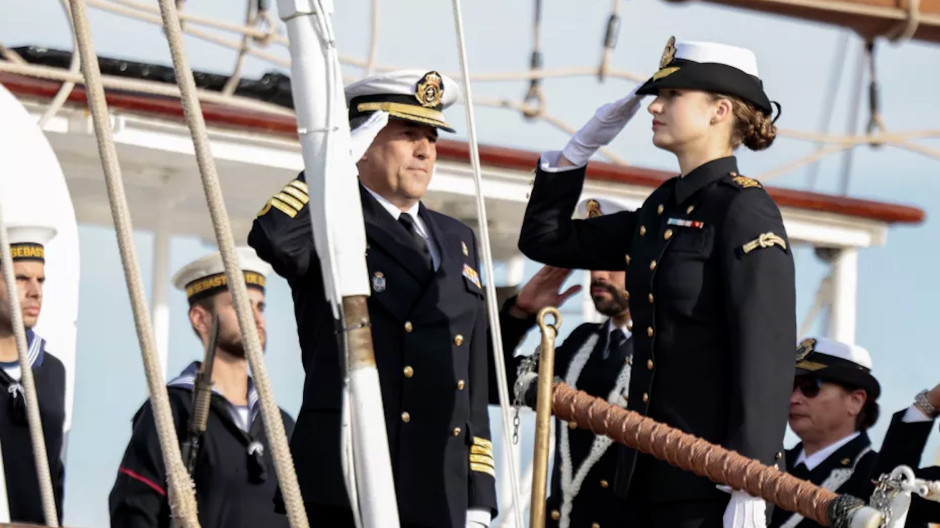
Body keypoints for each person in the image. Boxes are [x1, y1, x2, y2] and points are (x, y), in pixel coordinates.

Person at [516, 37, 796, 527]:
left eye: (672, 96)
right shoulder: (660, 209)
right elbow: (546, 239)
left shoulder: (743, 209)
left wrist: (752, 477)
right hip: (644, 474)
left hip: (712, 481)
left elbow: (765, 348)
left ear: (719, 111)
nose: (655, 106)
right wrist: (577, 151)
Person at [248, 70, 497, 528]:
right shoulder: (331, 216)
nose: (425, 150)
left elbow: (472, 377)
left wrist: (479, 496)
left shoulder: (458, 237)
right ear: (364, 142)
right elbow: (274, 238)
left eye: (432, 137)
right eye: (407, 134)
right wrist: (332, 165)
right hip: (347, 480)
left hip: (440, 488)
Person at [109, 247, 294, 528]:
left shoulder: (282, 426)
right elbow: (133, 511)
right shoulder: (170, 411)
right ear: (199, 318)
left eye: (260, 306)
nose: (256, 319)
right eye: (240, 306)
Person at [497, 197, 635, 528]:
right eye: (594, 262)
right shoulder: (581, 344)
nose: (599, 274)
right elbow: (494, 383)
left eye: (613, 262)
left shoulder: (670, 352)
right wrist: (520, 313)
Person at [770, 337, 886, 528]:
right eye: (790, 387)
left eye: (810, 388)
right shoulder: (769, 464)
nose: (794, 399)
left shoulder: (878, 479)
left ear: (855, 401)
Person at [0, 223, 66, 524]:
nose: (35, 291)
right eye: (21, 279)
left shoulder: (52, 372)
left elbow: (54, 472)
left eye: (40, 280)